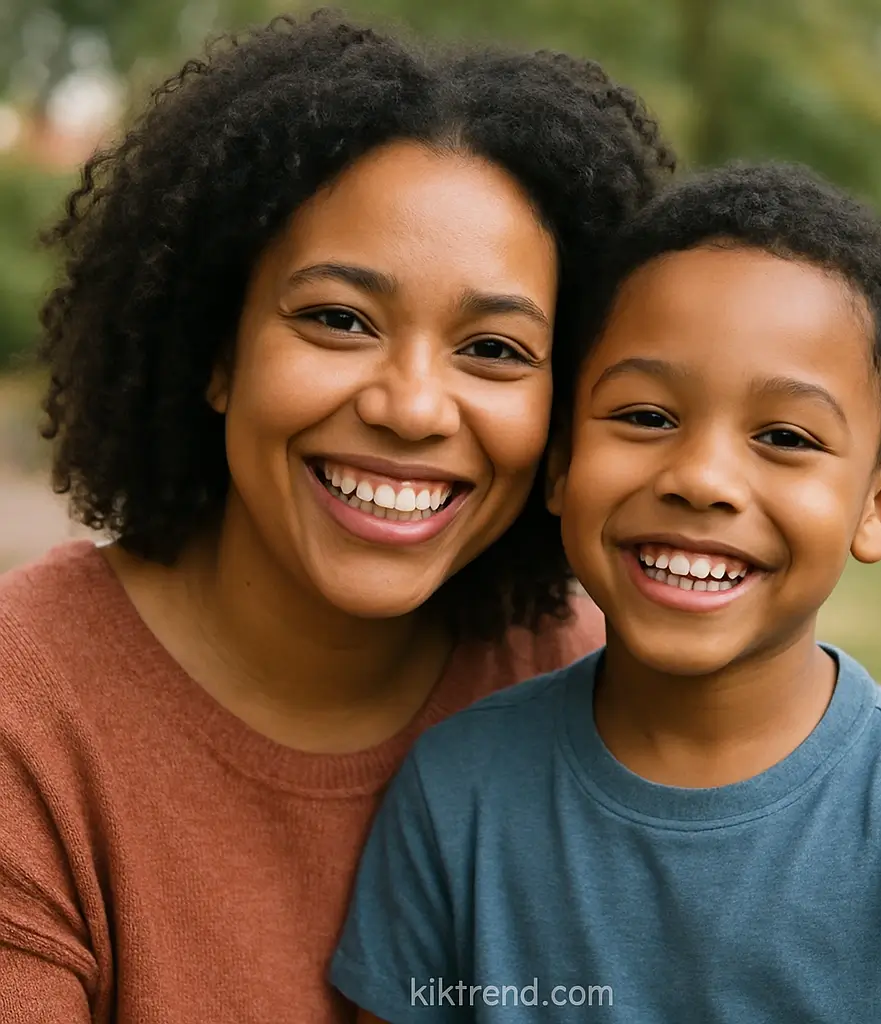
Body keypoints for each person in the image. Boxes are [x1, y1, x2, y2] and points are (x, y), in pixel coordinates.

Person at [0, 10, 676, 1023]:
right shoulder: (26, 717)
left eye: (494, 349)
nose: (411, 407)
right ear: (217, 352)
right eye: (338, 320)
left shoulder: (591, 686)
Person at [332, 163, 881, 1023]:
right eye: (647, 417)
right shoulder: (456, 794)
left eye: (785, 436)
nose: (700, 479)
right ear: (561, 462)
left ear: (880, 504)